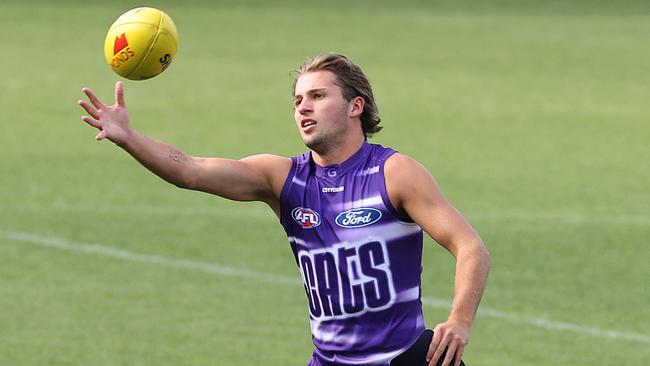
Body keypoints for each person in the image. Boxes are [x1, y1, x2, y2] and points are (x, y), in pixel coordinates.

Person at [78, 53, 490, 366]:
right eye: (297, 100)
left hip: (405, 357)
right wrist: (128, 137)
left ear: (355, 106)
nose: (303, 108)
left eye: (317, 96)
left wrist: (459, 321)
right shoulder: (283, 178)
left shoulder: (394, 172)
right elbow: (192, 170)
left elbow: (470, 247)